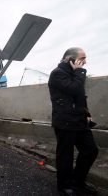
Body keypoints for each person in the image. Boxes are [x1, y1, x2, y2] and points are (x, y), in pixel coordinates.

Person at [48, 48, 98, 195]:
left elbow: (80, 96)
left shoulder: (74, 74)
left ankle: (77, 182)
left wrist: (87, 113)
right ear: (71, 59)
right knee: (65, 156)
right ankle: (64, 186)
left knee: (91, 150)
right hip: (65, 122)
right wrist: (80, 72)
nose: (85, 61)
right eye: (82, 58)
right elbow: (74, 89)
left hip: (80, 120)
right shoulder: (57, 73)